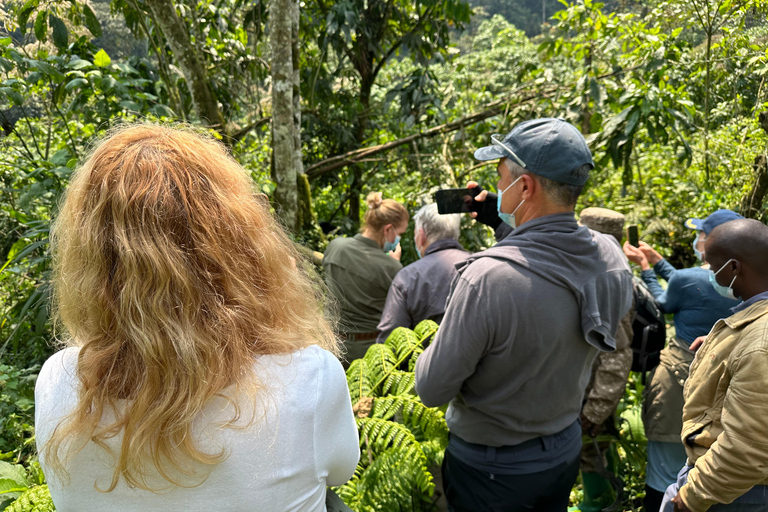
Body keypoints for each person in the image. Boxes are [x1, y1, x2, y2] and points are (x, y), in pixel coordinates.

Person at [35, 125, 360, 511]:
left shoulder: (59, 381)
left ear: (91, 259)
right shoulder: (308, 377)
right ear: (239, 245)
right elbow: (340, 470)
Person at [414, 118, 633, 512]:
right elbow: (552, 264)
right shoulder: (610, 258)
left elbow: (431, 389)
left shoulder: (486, 279)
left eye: (501, 178)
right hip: (563, 449)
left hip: (490, 471)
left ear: (525, 186)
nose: (498, 188)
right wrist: (501, 224)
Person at [622, 210, 742, 512]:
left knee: (665, 469)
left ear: (713, 241)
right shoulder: (748, 283)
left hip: (680, 377)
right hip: (726, 386)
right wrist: (659, 262)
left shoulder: (689, 278)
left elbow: (666, 300)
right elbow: (692, 283)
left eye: (702, 234)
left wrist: (646, 268)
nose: (697, 239)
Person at [661, 219, 768, 512]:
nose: (709, 272)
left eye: (712, 265)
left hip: (736, 492)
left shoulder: (761, 342)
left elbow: (747, 445)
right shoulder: (754, 324)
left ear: (734, 268)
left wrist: (693, 495)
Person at [574, 207, 635, 512]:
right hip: (589, 387)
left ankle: (599, 503)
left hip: (595, 392)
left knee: (594, 450)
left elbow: (618, 352)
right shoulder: (602, 269)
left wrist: (597, 407)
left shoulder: (611, 277)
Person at [323, 192, 409, 365]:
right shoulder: (391, 267)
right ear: (387, 229)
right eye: (399, 233)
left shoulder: (336, 247)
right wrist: (393, 264)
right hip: (369, 354)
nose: (399, 239)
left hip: (331, 346)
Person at [376, 203, 470, 343]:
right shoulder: (481, 264)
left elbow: (390, 341)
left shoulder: (408, 277)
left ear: (421, 235)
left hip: (425, 362)